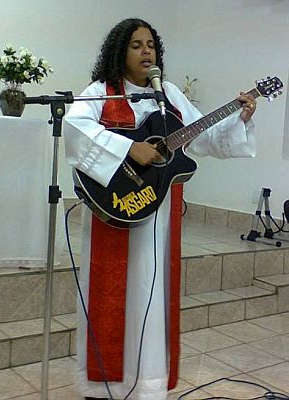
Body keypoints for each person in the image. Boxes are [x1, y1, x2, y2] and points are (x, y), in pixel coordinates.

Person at [64, 18, 256, 400]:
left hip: (159, 212)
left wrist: (242, 117)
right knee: (114, 295)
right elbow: (74, 128)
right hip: (115, 208)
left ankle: (147, 384)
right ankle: (105, 387)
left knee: (152, 297)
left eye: (150, 44)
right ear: (120, 51)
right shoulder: (102, 92)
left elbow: (201, 135)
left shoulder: (166, 93)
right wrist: (128, 147)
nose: (146, 51)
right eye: (135, 45)